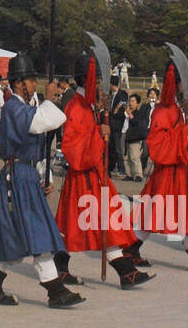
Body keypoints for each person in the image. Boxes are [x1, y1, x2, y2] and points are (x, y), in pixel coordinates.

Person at [0, 52, 82, 307]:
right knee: (37, 232)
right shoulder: (14, 107)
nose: (34, 84)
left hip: (24, 176)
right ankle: (56, 291)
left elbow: (39, 137)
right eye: (31, 80)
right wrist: (49, 99)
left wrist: (43, 174)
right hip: (18, 178)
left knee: (11, 233)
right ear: (19, 83)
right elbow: (46, 122)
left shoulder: (22, 108)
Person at [54, 52, 152, 288]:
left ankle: (61, 267)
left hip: (93, 175)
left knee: (91, 223)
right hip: (83, 176)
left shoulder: (85, 105)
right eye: (96, 80)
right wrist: (99, 136)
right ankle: (125, 271)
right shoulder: (76, 107)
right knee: (98, 222)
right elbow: (74, 150)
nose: (99, 85)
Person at [135, 58, 188, 271]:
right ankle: (130, 247)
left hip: (183, 168)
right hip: (168, 170)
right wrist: (181, 134)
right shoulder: (164, 110)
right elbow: (156, 144)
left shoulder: (179, 109)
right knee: (154, 211)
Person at [122, 94, 147, 181]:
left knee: (134, 156)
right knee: (126, 157)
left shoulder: (138, 113)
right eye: (130, 101)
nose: (131, 103)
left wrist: (130, 115)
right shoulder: (126, 111)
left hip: (134, 137)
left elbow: (136, 123)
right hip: (125, 134)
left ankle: (138, 175)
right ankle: (129, 174)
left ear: (137, 103)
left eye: (133, 101)